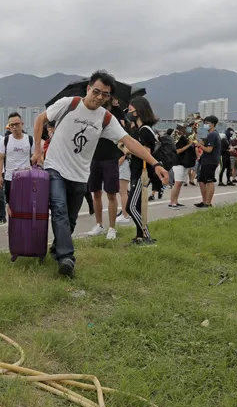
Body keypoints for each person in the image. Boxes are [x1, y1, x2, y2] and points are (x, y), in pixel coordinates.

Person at [32, 71, 169, 276]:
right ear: (88, 89)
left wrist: (156, 163)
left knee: (70, 218)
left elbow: (130, 142)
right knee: (59, 209)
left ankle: (57, 247)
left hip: (79, 174)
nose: (99, 97)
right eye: (96, 91)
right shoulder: (69, 104)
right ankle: (67, 257)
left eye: (105, 95)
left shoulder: (106, 118)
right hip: (55, 167)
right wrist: (37, 149)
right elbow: (40, 120)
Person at [124, 97, 164, 245]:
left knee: (131, 206)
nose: (128, 112)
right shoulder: (140, 129)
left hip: (142, 172)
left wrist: (128, 150)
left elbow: (145, 152)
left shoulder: (144, 131)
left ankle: (146, 236)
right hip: (137, 171)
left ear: (138, 111)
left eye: (130, 110)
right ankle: (140, 236)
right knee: (139, 206)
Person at [86, 100, 123, 240]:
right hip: (94, 158)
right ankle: (99, 225)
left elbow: (123, 135)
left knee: (111, 194)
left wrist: (116, 107)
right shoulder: (91, 116)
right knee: (95, 192)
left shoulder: (115, 116)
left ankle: (112, 228)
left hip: (110, 158)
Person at [0, 112, 33, 217]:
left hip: (26, 178)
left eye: (17, 124)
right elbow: (0, 158)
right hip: (10, 178)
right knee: (11, 206)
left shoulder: (30, 140)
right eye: (11, 125)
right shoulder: (5, 140)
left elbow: (35, 158)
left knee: (26, 204)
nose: (14, 127)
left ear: (22, 124)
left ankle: (25, 227)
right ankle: (13, 228)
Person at [193, 115, 221, 208]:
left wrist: (199, 145)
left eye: (207, 123)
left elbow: (209, 149)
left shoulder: (213, 134)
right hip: (206, 161)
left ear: (212, 124)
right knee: (201, 181)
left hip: (210, 161)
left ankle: (208, 203)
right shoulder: (210, 134)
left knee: (209, 181)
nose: (205, 125)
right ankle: (204, 201)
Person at [169, 125, 196, 209]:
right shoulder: (177, 139)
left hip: (185, 163)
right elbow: (177, 151)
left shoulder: (186, 138)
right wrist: (188, 145)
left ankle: (176, 201)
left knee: (180, 183)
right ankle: (172, 202)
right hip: (178, 162)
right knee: (177, 183)